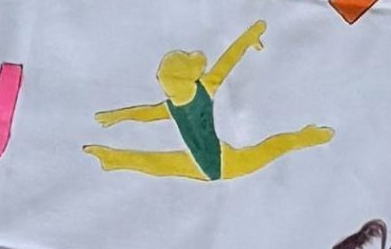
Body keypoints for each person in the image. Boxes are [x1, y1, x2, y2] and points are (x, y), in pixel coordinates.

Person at [85, 23, 331, 181]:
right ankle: (305, 137)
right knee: (271, 147)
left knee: (158, 164)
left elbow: (144, 113)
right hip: (218, 163)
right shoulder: (193, 95)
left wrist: (118, 116)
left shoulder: (183, 101)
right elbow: (226, 62)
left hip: (209, 163)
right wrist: (248, 37)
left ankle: (113, 159)